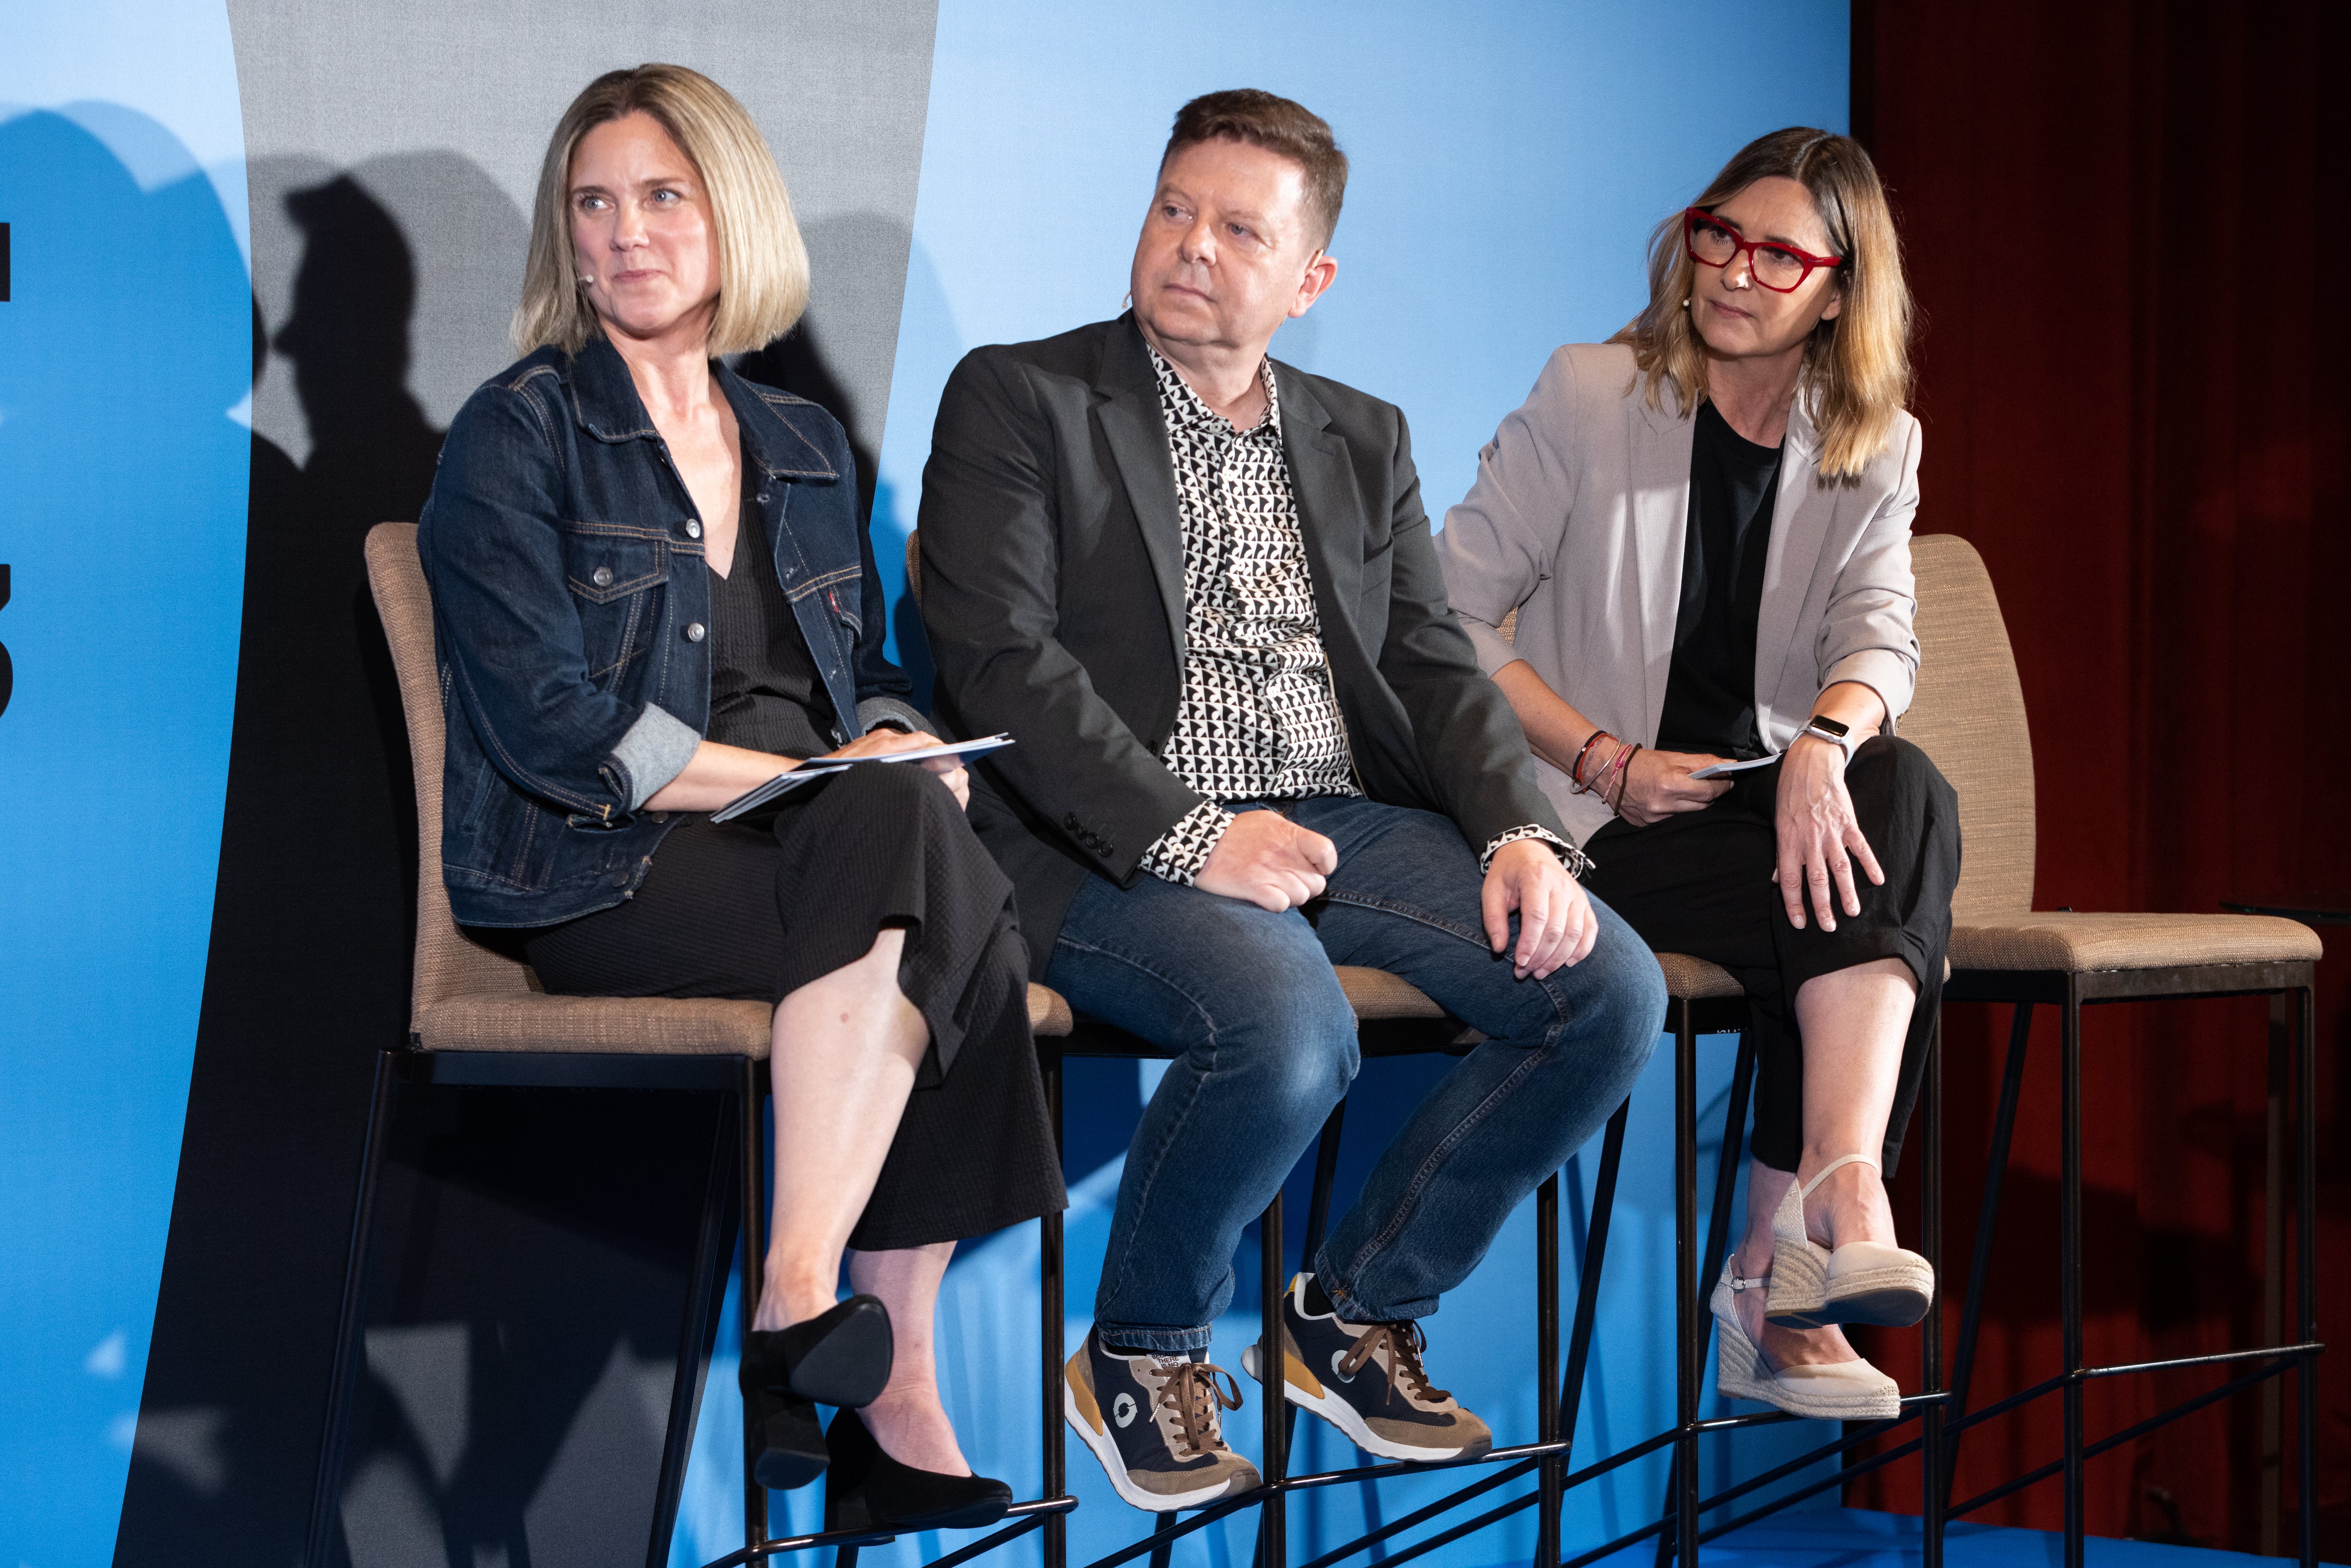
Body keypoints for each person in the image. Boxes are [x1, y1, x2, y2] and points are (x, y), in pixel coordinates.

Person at [916, 89, 1665, 1512]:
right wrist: (1198, 834)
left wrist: (1517, 833)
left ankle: (1358, 1310)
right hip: (1107, 834)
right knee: (1289, 1029)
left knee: (1604, 989)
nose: (1192, 246)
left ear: (1310, 280)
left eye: (1239, 228)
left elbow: (1435, 662)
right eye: (1174, 209)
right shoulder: (1021, 396)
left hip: (1336, 816)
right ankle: (1139, 1350)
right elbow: (1002, 661)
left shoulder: (1360, 434)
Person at [416, 64, 1063, 1531]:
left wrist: (905, 739)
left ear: (733, 217)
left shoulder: (801, 444)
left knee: (938, 853)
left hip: (809, 839)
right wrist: (815, 781)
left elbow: (864, 673)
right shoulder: (516, 436)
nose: (625, 233)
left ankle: (845, 1377)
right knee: (931, 882)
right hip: (606, 867)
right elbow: (557, 730)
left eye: (662, 196)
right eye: (593, 203)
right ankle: (818, 1328)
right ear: (564, 237)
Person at [1433, 127, 1955, 1420]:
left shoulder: (1872, 442)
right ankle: (1791, 1264)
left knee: (1897, 800)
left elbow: (1880, 637)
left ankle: (1826, 1192)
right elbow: (1441, 619)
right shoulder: (1591, 395)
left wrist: (1824, 747)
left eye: (1779, 255)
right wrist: (1601, 758)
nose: (1733, 270)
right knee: (1856, 905)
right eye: (1719, 233)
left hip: (1754, 826)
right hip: (1587, 836)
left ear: (1840, 290)